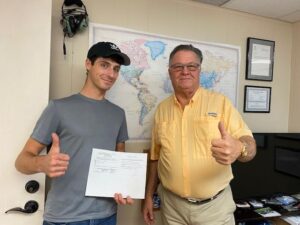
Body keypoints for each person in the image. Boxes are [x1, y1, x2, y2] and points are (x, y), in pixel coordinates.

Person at [15, 42, 134, 225]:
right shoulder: (58, 108)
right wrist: (42, 163)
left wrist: (122, 187)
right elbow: (21, 162)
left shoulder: (118, 114)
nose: (111, 74)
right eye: (104, 65)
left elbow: (119, 162)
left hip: (107, 216)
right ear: (88, 64)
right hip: (65, 218)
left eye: (116, 69)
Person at [142, 44, 256, 225]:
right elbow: (156, 157)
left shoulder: (221, 103)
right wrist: (148, 196)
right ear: (170, 71)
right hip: (172, 208)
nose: (185, 71)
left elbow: (250, 144)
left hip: (214, 210)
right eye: (178, 66)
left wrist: (240, 148)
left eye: (191, 66)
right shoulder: (162, 109)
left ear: (199, 70)